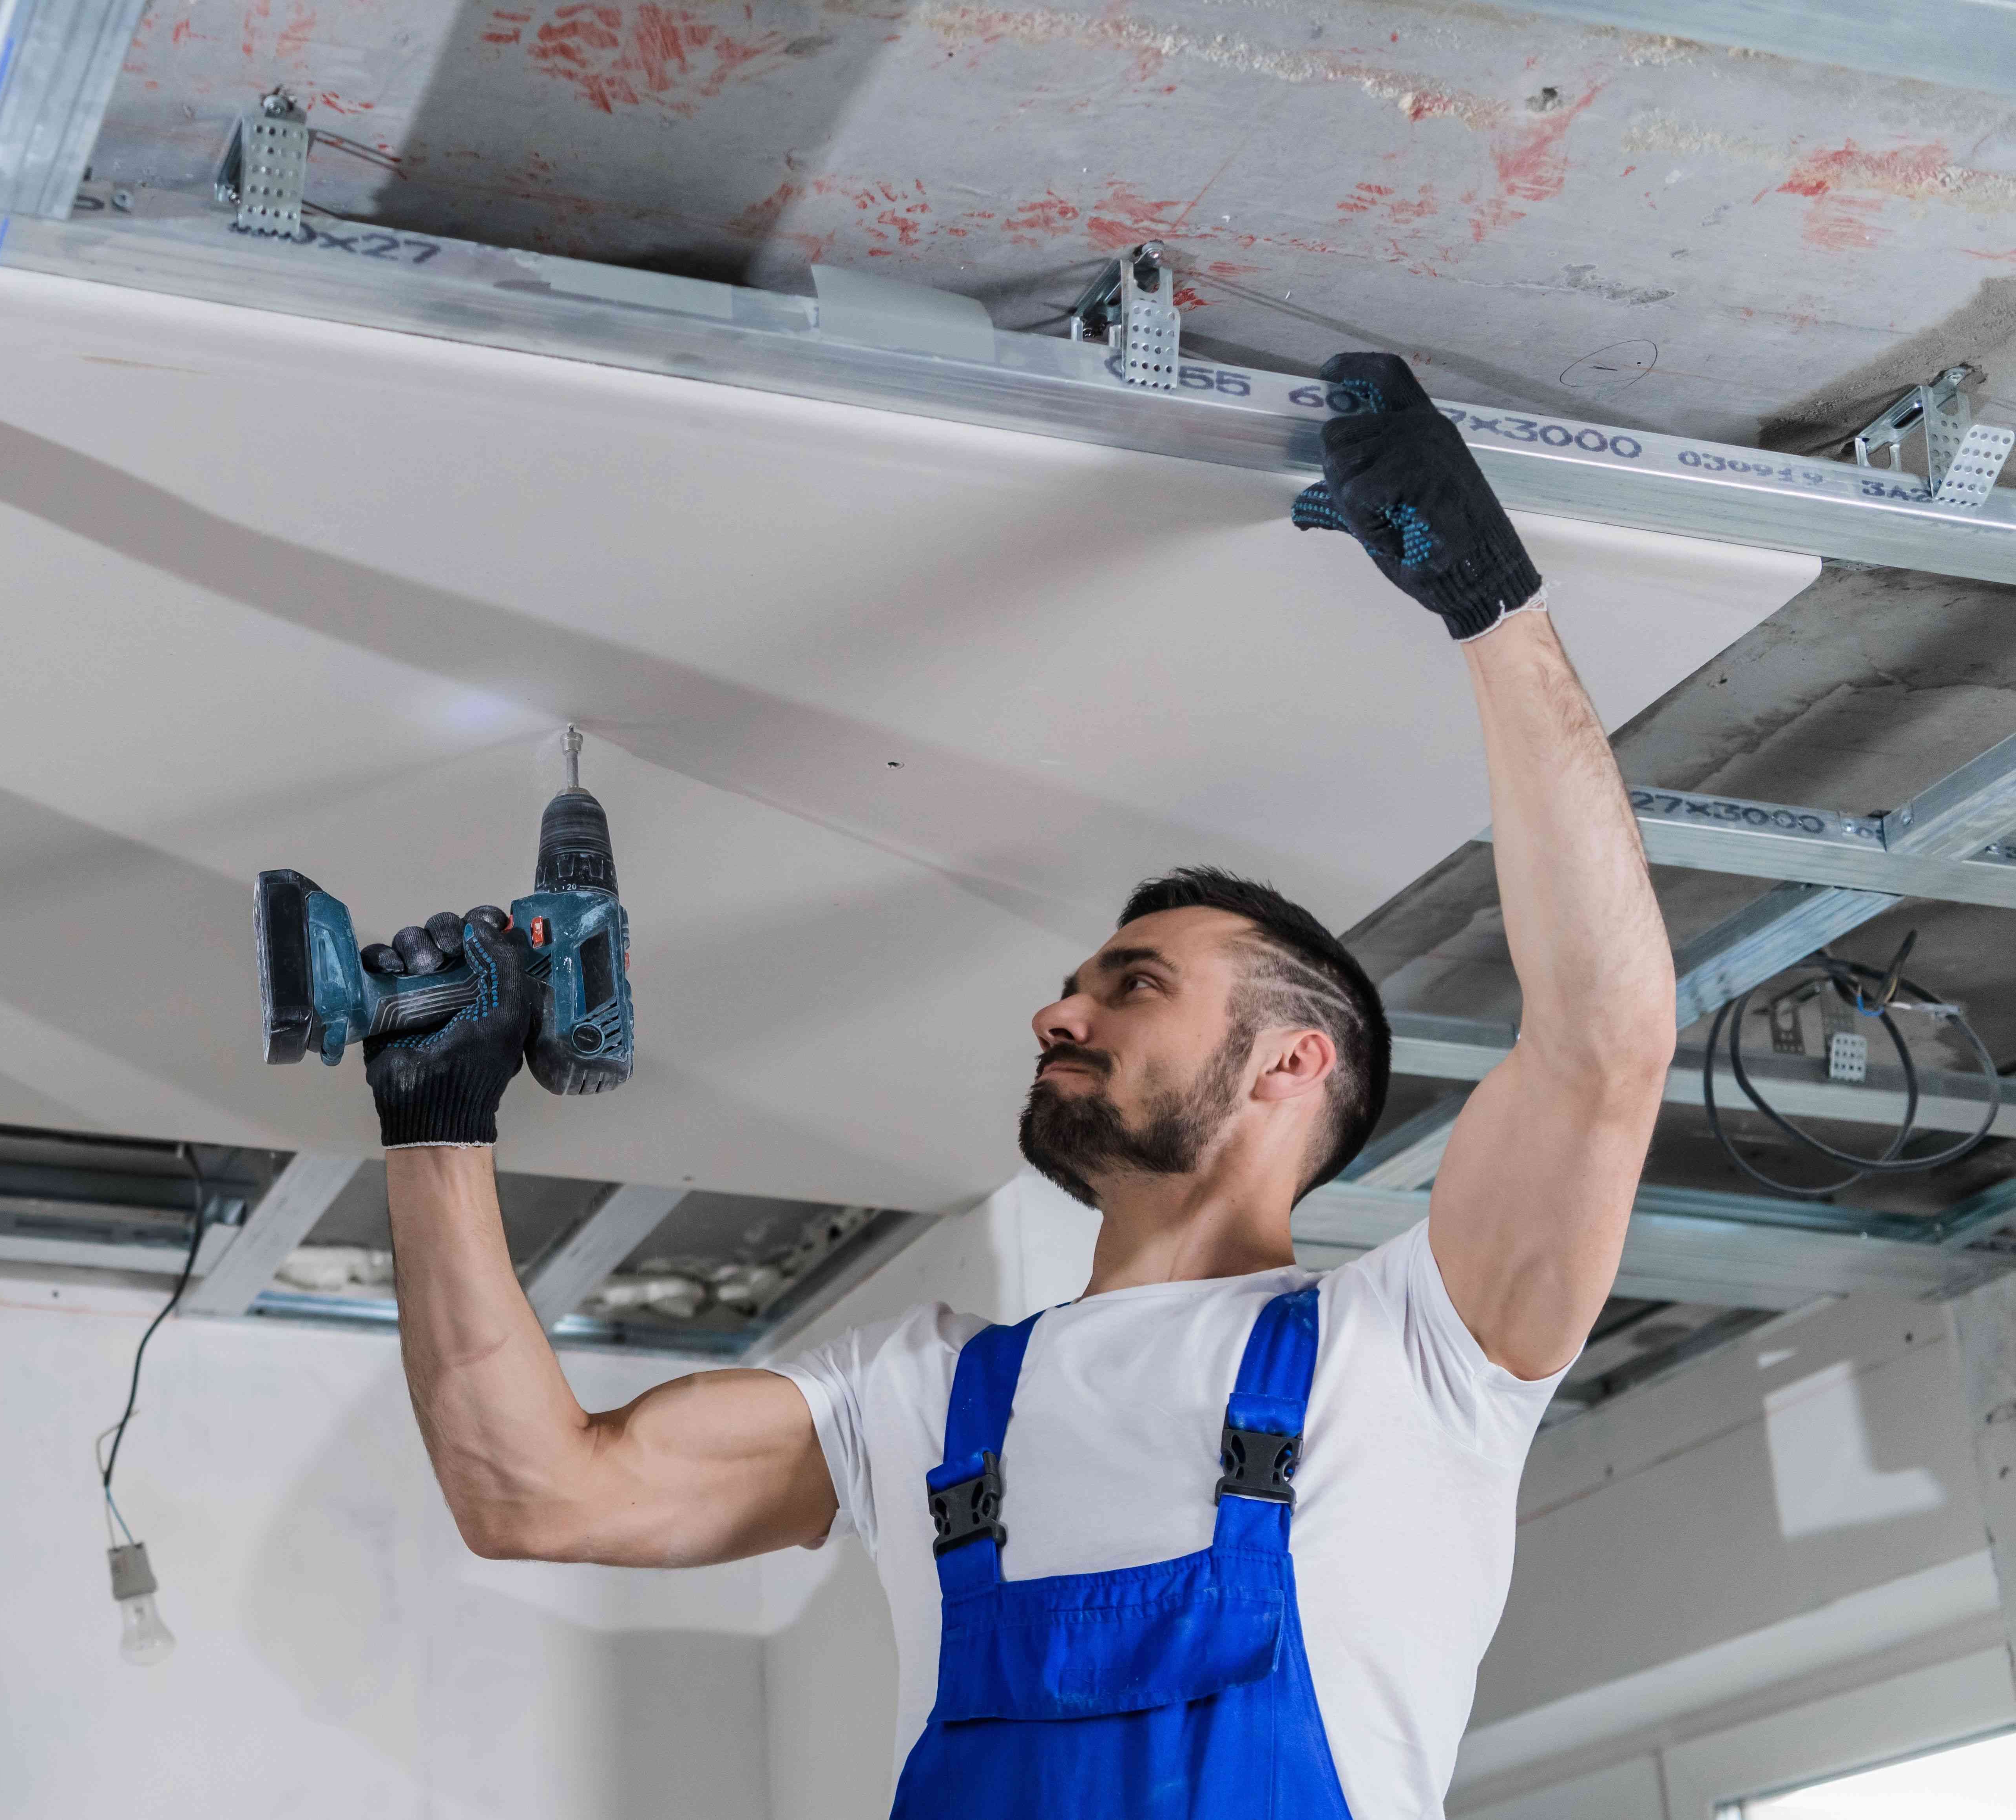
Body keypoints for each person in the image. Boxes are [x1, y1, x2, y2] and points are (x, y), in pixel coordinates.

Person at [351, 353, 1675, 1819]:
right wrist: (435, 1118)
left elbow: (1601, 1041)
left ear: (1296, 1063)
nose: (1058, 1008)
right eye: (1081, 982)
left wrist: (1491, 606)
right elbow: (535, 1493)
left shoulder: (1422, 1355)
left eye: (1134, 983)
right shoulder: (920, 1395)